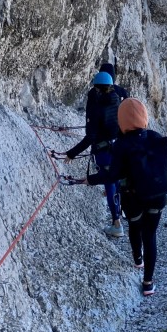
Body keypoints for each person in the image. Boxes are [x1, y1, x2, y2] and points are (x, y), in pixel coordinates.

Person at [88, 98, 167, 296]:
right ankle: (148, 283)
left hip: (133, 197)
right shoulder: (156, 136)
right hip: (157, 195)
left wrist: (88, 179)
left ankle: (137, 260)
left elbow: (112, 175)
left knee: (134, 226)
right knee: (150, 235)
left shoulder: (121, 145)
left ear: (121, 120)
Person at [65, 71, 123, 237]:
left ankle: (117, 224)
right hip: (118, 148)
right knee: (115, 182)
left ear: (97, 89)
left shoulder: (97, 108)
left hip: (104, 151)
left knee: (109, 183)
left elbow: (90, 137)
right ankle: (118, 217)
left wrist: (71, 153)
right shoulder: (117, 102)